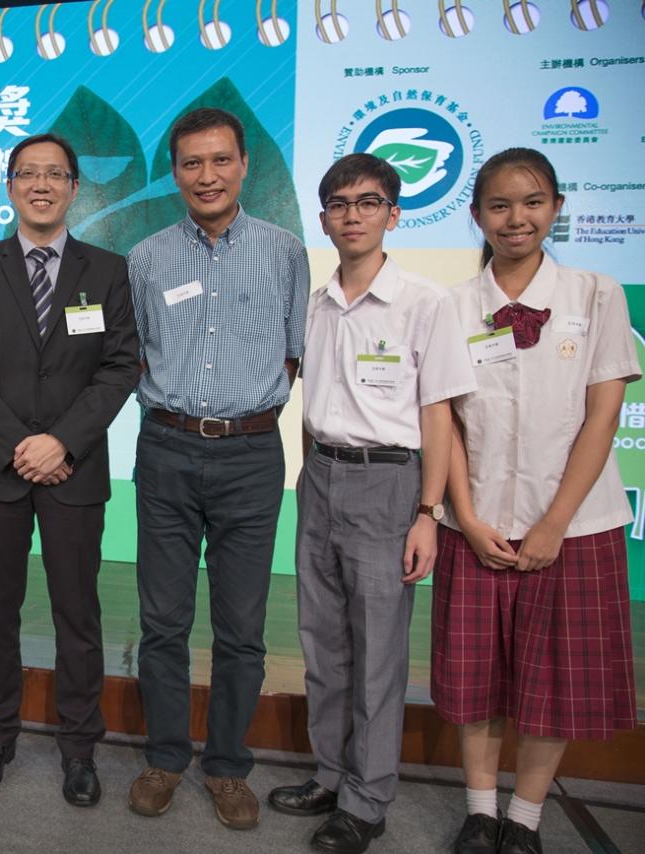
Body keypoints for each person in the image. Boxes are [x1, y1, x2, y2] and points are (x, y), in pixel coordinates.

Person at [266, 154, 476, 854]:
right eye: (338, 204)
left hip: (389, 485)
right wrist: (308, 475)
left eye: (367, 202)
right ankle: (330, 775)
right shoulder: (315, 303)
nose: (351, 215)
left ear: (394, 214)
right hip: (320, 478)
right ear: (324, 219)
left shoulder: (424, 302)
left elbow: (439, 414)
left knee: (378, 654)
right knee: (322, 645)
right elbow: (309, 402)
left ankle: (367, 798)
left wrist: (428, 513)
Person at [433, 147, 639, 854]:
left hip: (575, 525)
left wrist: (554, 523)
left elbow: (602, 417)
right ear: (476, 215)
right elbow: (446, 421)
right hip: (478, 522)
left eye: (531, 202)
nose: (515, 218)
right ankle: (480, 810)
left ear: (556, 208)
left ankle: (524, 818)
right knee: (476, 678)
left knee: (554, 681)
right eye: (499, 205)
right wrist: (465, 515)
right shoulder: (454, 305)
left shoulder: (596, 294)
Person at [0, 132, 140, 806]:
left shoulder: (108, 270)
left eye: (55, 174)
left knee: (76, 613)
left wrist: (62, 442)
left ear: (75, 188)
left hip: (73, 469)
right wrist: (20, 446)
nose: (42, 185)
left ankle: (79, 748)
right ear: (10, 187)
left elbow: (120, 366)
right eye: (29, 173)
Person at [127, 107, 309, 830]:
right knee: (163, 622)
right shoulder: (145, 259)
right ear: (175, 173)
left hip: (252, 455)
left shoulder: (284, 251)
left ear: (244, 166)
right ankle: (165, 758)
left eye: (220, 160)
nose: (207, 176)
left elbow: (293, 353)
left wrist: (242, 417)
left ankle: (229, 766)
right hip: (166, 449)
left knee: (241, 628)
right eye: (192, 163)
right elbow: (138, 354)